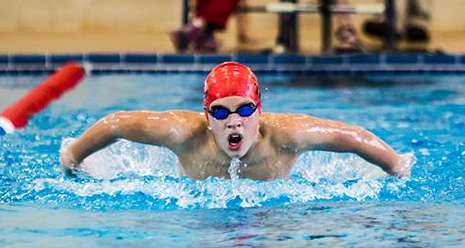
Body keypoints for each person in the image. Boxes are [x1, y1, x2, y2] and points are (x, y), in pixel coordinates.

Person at [60, 61, 411, 180]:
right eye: (220, 112)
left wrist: (396, 165)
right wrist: (73, 156)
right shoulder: (182, 133)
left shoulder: (287, 136)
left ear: (259, 111)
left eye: (244, 110)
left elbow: (352, 136)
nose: (234, 122)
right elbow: (117, 123)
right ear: (206, 115)